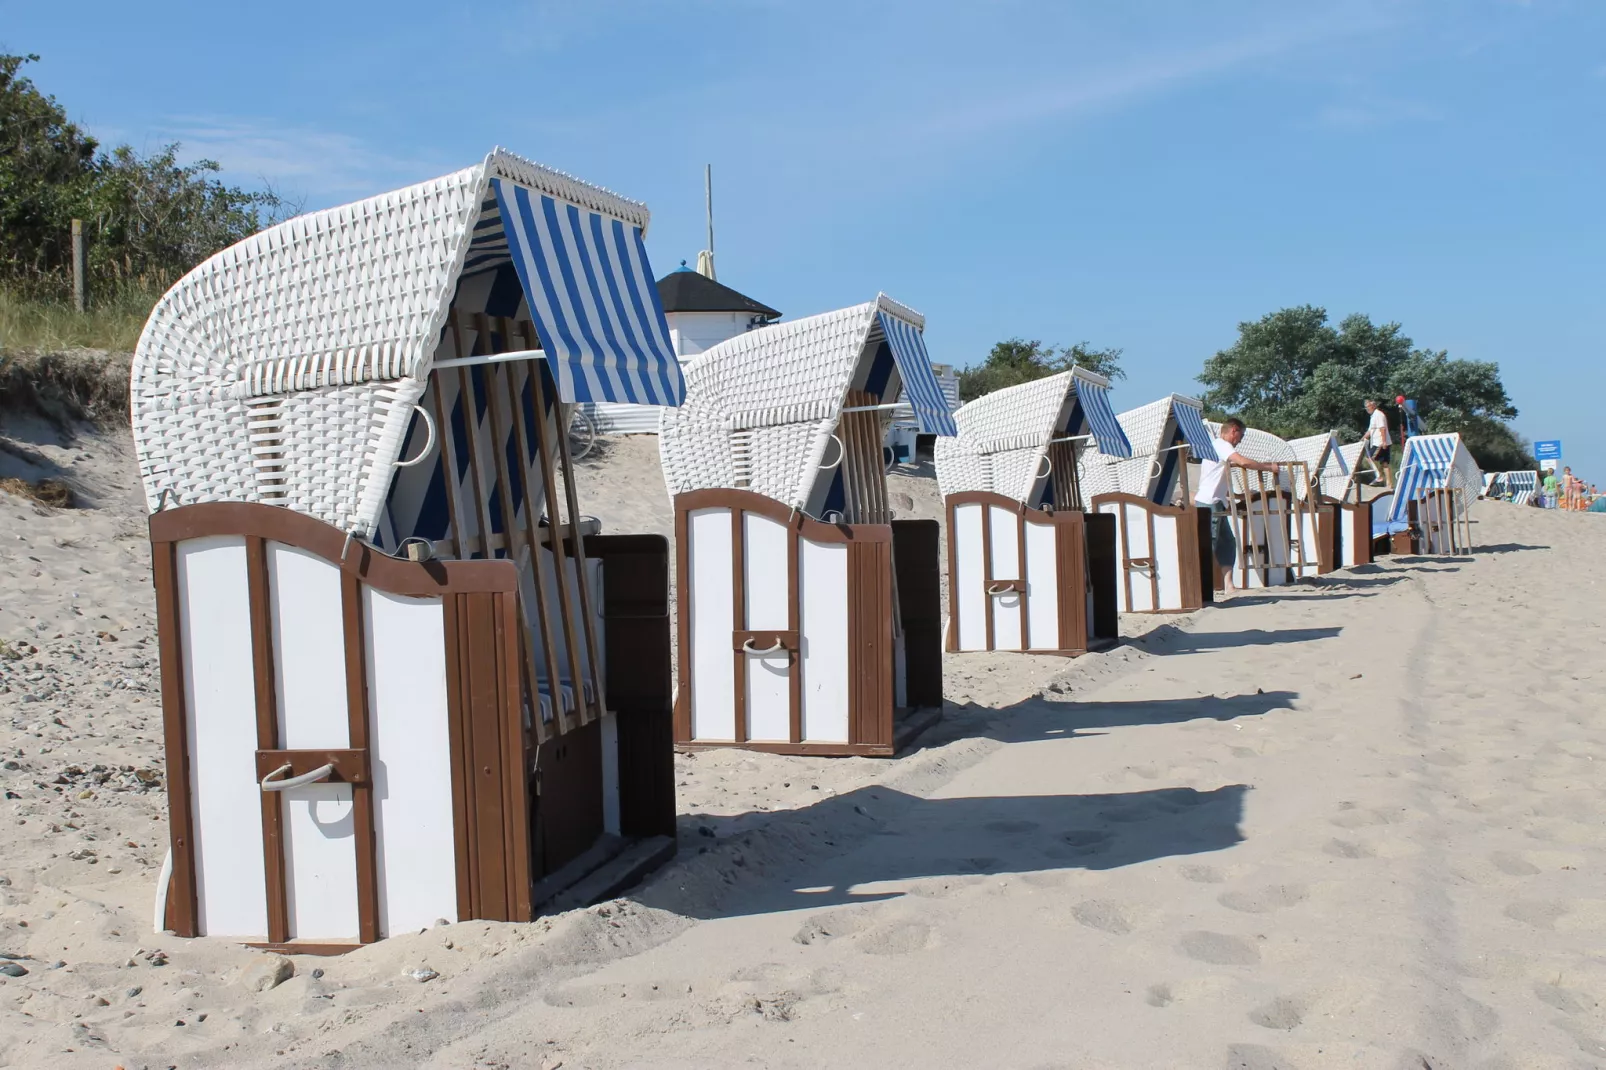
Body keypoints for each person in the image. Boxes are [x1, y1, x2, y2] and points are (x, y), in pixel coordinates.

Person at [1196, 418, 1281, 596]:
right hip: (1209, 503)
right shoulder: (1221, 445)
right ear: (1234, 430)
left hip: (1216, 502)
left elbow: (1215, 481)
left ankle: (1228, 585)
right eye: (1240, 435)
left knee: (1226, 542)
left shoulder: (1219, 448)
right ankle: (1199, 588)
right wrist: (1269, 467)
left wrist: (1239, 496)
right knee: (1208, 543)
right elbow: (1244, 462)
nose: (1240, 440)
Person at [1363, 399, 1392, 488]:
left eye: (1368, 406)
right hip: (1381, 442)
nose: (1367, 409)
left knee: (1369, 458)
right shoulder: (1373, 417)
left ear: (1373, 406)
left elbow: (1382, 428)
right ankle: (1389, 484)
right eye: (1366, 407)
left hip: (1379, 442)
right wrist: (1361, 440)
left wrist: (1383, 441)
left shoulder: (1378, 415)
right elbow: (1369, 431)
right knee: (1384, 463)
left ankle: (1379, 476)